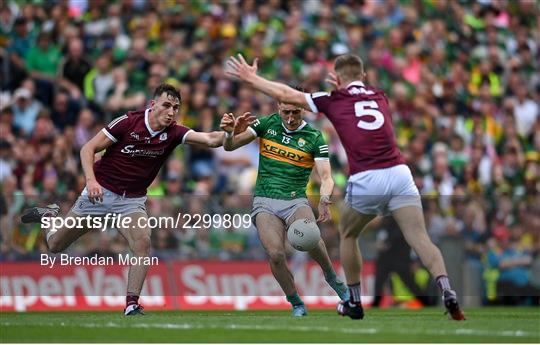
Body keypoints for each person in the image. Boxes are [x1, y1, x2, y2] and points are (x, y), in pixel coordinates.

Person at [225, 53, 465, 320]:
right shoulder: (379, 95)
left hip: (367, 177)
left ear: (337, 79)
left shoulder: (332, 100)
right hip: (399, 172)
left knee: (349, 235)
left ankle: (353, 300)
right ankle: (447, 289)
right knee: (420, 238)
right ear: (363, 77)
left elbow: (286, 93)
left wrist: (251, 78)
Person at [21, 83, 254, 316]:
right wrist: (91, 181)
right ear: (152, 105)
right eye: (166, 105)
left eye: (176, 107)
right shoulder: (127, 122)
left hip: (130, 201)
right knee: (55, 245)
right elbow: (87, 149)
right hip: (100, 192)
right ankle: (49, 216)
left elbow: (212, 140)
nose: (171, 112)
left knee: (142, 244)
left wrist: (228, 132)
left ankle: (132, 304)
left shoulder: (174, 132)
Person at [219, 94, 349, 317]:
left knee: (310, 237)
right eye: (286, 112)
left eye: (295, 112)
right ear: (278, 107)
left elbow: (327, 177)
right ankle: (296, 301)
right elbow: (230, 147)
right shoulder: (265, 123)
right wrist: (229, 132)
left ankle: (331, 277)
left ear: (304, 110)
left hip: (295, 199)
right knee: (276, 254)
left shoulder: (314, 137)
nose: (290, 118)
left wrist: (325, 199)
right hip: (264, 200)